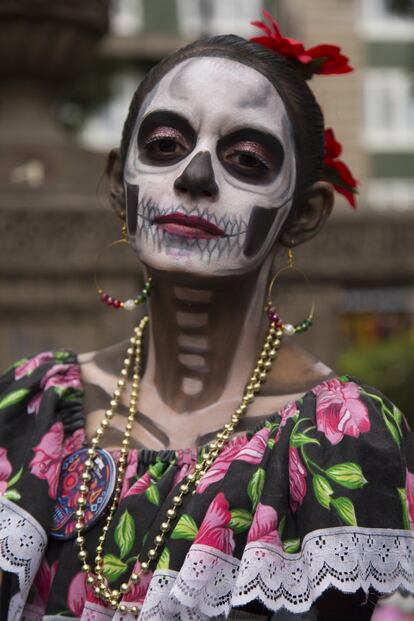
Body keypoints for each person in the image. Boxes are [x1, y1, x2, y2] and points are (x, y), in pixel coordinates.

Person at [0, 12, 413, 621]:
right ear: (121, 182)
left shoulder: (341, 442)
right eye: (164, 147)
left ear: (304, 214)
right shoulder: (26, 407)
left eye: (245, 158)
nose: (194, 177)